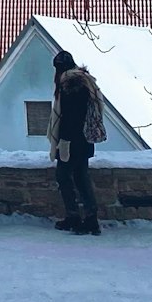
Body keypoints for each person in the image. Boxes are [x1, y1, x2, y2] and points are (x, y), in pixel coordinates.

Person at [48, 48, 104, 235]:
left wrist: (62, 141)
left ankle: (76, 216)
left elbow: (70, 117)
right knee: (81, 177)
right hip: (85, 140)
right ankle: (90, 218)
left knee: (64, 177)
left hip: (72, 141)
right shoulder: (85, 82)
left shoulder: (70, 85)